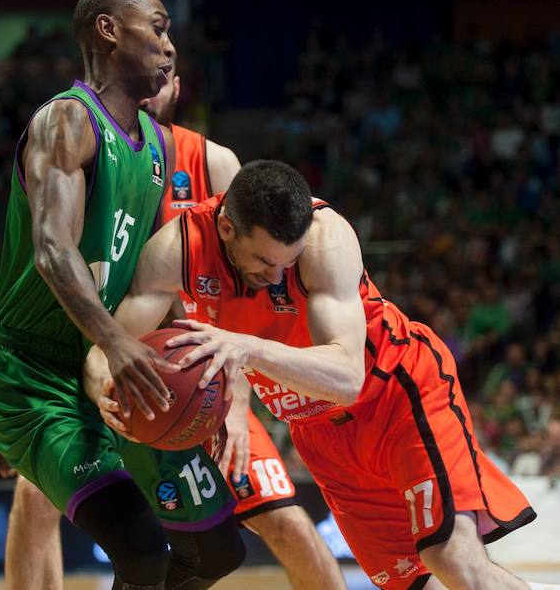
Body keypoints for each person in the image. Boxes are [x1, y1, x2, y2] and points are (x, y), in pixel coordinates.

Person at [88, 160, 536, 590]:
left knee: (449, 556)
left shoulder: (326, 240)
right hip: (318, 432)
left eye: (288, 261)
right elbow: (108, 347)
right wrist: (103, 391)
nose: (277, 275)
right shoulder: (178, 249)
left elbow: (346, 378)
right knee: (413, 581)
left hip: (396, 396)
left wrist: (245, 346)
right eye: (264, 261)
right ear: (226, 228)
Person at [10, 61, 346, 590]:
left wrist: (236, 400)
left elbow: (249, 284)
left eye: (160, 77)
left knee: (285, 523)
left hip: (201, 380)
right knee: (34, 496)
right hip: (106, 359)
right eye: (136, 80)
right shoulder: (92, 154)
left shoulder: (213, 160)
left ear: (177, 89)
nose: (147, 91)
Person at [0, 0, 245, 589]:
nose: (170, 45)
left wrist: (204, 388)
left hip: (116, 366)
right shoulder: (67, 121)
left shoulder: (158, 145)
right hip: (35, 376)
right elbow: (53, 250)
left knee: (218, 551)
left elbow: (155, 278)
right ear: (108, 30)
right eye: (157, 28)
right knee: (142, 550)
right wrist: (116, 343)